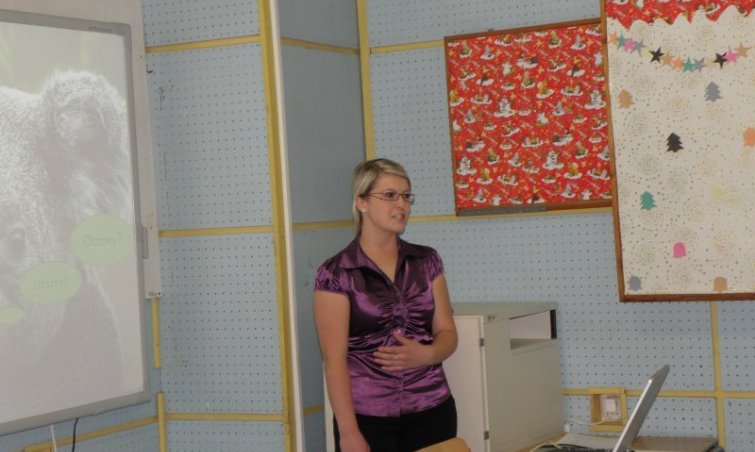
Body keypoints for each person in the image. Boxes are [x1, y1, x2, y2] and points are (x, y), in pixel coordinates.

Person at [313, 158, 458, 452]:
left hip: (433, 410)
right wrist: (348, 432)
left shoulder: (427, 261)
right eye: (390, 195)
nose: (401, 205)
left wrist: (428, 354)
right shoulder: (337, 273)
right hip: (367, 419)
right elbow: (334, 360)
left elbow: (448, 333)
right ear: (361, 202)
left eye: (406, 196)